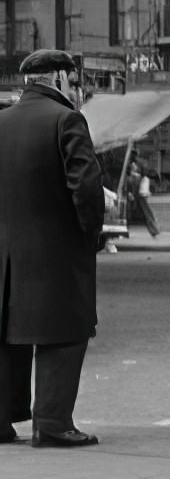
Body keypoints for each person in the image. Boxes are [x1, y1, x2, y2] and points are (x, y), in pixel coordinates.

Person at [0, 49, 104, 448]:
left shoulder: (2, 121)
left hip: (5, 257)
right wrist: (88, 234)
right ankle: (52, 423)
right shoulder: (66, 120)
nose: (77, 90)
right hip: (56, 255)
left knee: (6, 337)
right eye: (74, 82)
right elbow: (87, 189)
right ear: (59, 79)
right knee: (63, 335)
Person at [137, 165, 161, 238]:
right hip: (143, 198)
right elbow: (143, 192)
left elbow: (144, 190)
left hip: (143, 198)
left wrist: (149, 193)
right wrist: (149, 193)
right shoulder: (146, 180)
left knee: (149, 216)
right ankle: (154, 231)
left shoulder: (145, 179)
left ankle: (154, 231)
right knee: (149, 216)